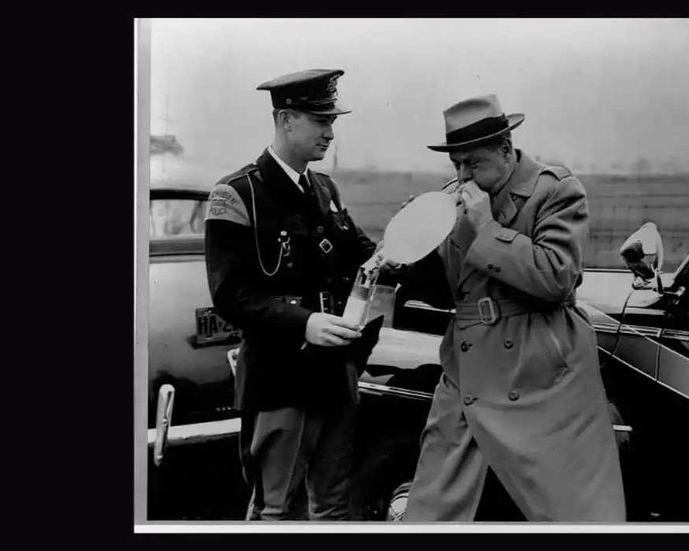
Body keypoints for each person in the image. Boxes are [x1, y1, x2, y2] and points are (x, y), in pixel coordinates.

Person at [392, 94, 627, 521]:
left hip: (539, 373)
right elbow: (450, 292)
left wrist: (486, 227)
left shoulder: (555, 191)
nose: (463, 176)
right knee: (433, 509)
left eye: (473, 163)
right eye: (456, 164)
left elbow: (556, 277)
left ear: (505, 149)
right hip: (467, 375)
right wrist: (414, 250)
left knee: (573, 512)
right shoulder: (453, 201)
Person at [204, 68, 381, 521]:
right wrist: (305, 323)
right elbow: (230, 295)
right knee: (277, 510)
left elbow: (362, 254)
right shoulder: (237, 194)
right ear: (285, 120)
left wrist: (409, 241)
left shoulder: (324, 189)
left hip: (334, 374)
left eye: (331, 121)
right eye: (320, 120)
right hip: (280, 379)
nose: (330, 133)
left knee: (332, 507)